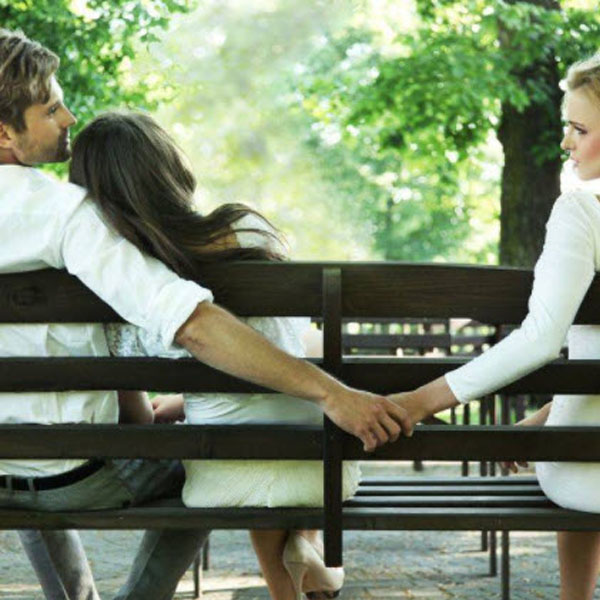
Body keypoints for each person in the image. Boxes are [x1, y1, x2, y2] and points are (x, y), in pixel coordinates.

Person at [0, 28, 411, 600]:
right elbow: (190, 325)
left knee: (28, 456)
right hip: (78, 477)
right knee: (201, 463)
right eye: (51, 108)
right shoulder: (68, 217)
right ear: (4, 132)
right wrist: (331, 393)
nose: (68, 117)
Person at [66, 110, 359, 600]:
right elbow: (281, 352)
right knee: (274, 445)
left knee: (242, 456)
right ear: (171, 170)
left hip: (222, 478)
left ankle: (296, 573)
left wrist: (182, 403)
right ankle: (310, 551)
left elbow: (139, 420)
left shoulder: (120, 285)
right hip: (320, 463)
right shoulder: (242, 229)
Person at [391, 53, 600, 600]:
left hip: (587, 474)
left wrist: (419, 401)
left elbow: (541, 338)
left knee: (578, 461)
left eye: (579, 130)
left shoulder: (582, 212)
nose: (566, 143)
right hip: (585, 441)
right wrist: (546, 418)